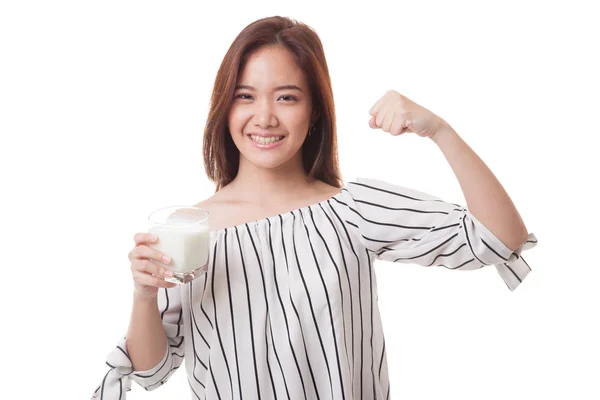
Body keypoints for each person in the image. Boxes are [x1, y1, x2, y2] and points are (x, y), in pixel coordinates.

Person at [92, 15, 537, 400]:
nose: (265, 116)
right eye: (245, 96)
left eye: (286, 97)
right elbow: (151, 369)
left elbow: (501, 237)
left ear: (316, 111)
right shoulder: (191, 230)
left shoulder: (352, 210)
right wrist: (144, 295)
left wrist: (440, 130)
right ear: (224, 108)